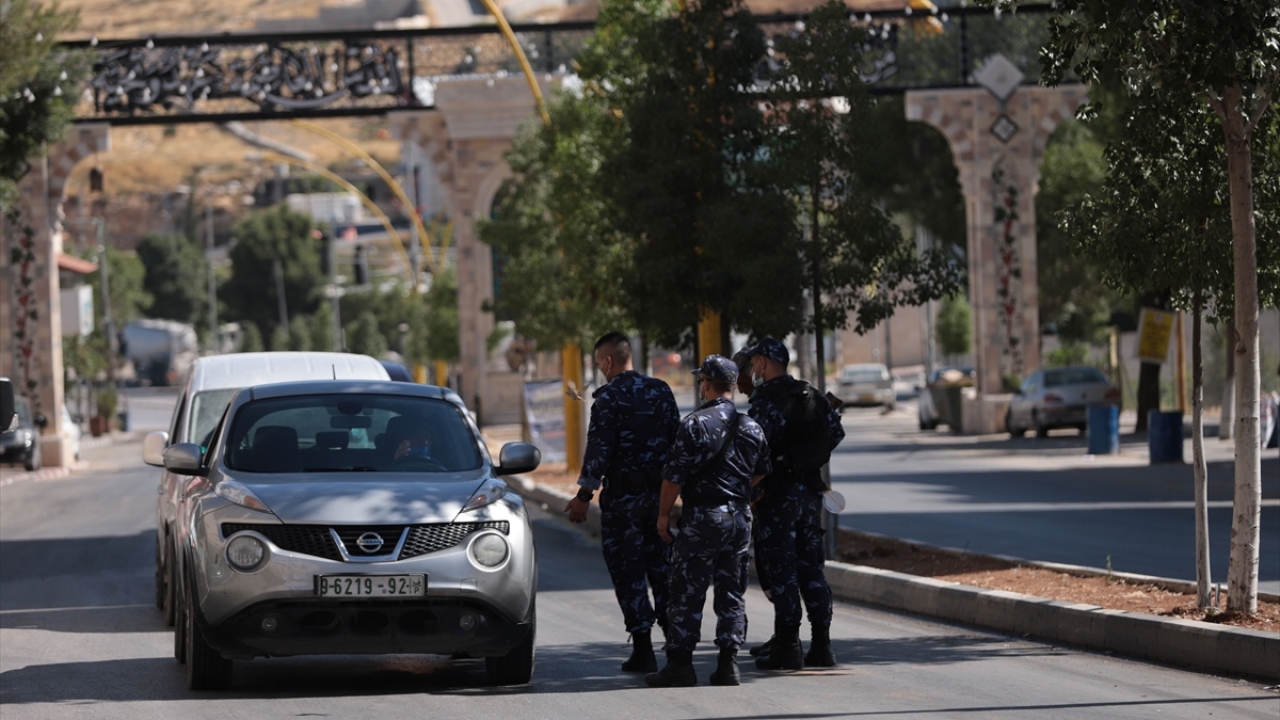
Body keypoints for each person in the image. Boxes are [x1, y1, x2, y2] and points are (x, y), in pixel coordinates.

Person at [645, 355, 770, 688]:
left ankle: (680, 666)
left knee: (687, 591)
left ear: (707, 384)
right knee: (732, 592)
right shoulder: (752, 426)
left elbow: (673, 477)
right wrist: (740, 489)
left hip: (702, 517)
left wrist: (662, 515)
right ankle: (728, 664)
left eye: (702, 381)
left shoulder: (695, 424)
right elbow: (762, 470)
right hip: (739, 518)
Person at [565, 332, 680, 673]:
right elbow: (678, 445)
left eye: (599, 363)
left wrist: (584, 497)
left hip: (624, 502)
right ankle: (677, 646)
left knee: (629, 572)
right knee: (662, 569)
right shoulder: (661, 391)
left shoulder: (608, 399)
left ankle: (644, 649)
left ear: (607, 362)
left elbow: (599, 452)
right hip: (660, 498)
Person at [744, 336, 845, 670]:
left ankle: (788, 645)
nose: (752, 368)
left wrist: (755, 488)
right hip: (809, 494)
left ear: (763, 362)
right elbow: (834, 433)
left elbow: (754, 452)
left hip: (778, 497)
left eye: (754, 361)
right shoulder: (810, 394)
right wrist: (805, 459)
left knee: (782, 569)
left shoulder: (766, 402)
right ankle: (821, 644)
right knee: (811, 567)